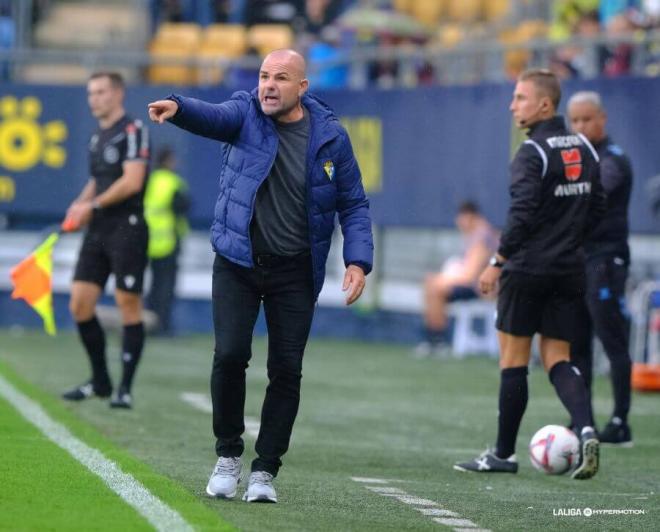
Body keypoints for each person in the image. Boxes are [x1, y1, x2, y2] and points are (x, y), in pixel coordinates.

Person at [147, 49, 373, 503]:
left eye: (281, 78)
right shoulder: (245, 113)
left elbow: (353, 203)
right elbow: (214, 116)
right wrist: (179, 107)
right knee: (230, 355)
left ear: (302, 88)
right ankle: (228, 455)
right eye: (264, 76)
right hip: (238, 262)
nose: (268, 85)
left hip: (295, 271)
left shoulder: (331, 138)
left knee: (286, 370)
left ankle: (265, 471)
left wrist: (357, 260)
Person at [454, 69, 606, 479]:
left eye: (520, 97)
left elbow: (520, 215)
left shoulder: (531, 152)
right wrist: (569, 243)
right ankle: (587, 427)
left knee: (514, 361)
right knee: (558, 358)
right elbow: (597, 208)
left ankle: (503, 454)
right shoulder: (587, 150)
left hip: (526, 271)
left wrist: (497, 261)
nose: (512, 104)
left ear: (545, 104)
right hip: (568, 270)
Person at [62, 72, 150, 410]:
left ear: (117, 94)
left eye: (100, 92)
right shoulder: (98, 136)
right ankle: (100, 380)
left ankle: (124, 388)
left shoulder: (133, 130)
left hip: (126, 227)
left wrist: (92, 206)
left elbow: (132, 181)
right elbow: (97, 181)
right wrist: (79, 204)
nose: (94, 99)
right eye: (90, 93)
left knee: (128, 303)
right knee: (80, 304)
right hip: (98, 229)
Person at [567, 91, 634, 445]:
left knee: (612, 340)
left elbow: (587, 198)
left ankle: (621, 421)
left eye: (586, 119)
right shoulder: (577, 160)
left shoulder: (612, 160)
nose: (580, 127)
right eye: (574, 121)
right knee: (577, 344)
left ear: (602, 118)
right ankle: (583, 419)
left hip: (605, 260)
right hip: (579, 261)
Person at [415, 201, 498, 358]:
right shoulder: (476, 234)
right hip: (477, 286)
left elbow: (470, 275)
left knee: (436, 287)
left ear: (470, 217)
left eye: (461, 218)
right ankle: (433, 338)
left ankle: (437, 340)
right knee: (432, 284)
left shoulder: (482, 236)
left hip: (482, 289)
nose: (458, 222)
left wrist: (443, 280)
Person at [144, 147, 190, 336]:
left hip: (149, 240)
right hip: (168, 241)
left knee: (153, 285)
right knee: (166, 286)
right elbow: (183, 207)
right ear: (168, 161)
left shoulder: (150, 180)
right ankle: (163, 325)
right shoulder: (173, 183)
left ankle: (148, 322)